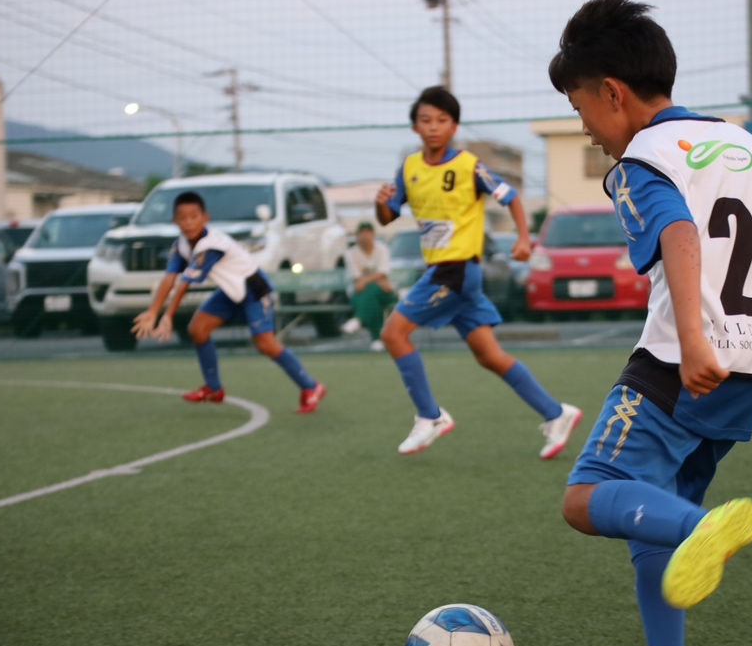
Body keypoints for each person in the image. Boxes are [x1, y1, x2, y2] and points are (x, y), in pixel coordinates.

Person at [549, 0, 752, 646]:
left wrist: (690, 337)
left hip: (681, 361)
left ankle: (702, 533)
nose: (586, 129)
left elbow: (680, 234)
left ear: (613, 93)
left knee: (586, 499)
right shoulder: (746, 144)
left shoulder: (638, 163)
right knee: (654, 505)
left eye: (582, 109)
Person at [374, 86, 582, 458]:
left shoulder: (469, 166)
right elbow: (388, 215)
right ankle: (557, 413)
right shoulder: (409, 168)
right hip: (446, 273)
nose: (434, 127)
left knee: (393, 334)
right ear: (414, 128)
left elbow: (511, 197)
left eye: (442, 120)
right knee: (489, 356)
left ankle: (429, 416)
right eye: (426, 121)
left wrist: (522, 238)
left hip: (456, 272)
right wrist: (381, 206)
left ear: (454, 126)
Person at [133, 191, 326, 413]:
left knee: (265, 344)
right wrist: (153, 312)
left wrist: (166, 315)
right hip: (231, 291)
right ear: (175, 221)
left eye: (193, 216)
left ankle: (311, 387)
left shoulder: (210, 245)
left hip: (254, 289)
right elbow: (169, 278)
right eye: (182, 218)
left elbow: (184, 283)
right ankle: (214, 389)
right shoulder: (181, 245)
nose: (188, 223)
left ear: (205, 218)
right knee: (198, 330)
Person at [340, 221, 395, 352]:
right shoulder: (351, 253)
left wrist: (367, 280)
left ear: (373, 235)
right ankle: (377, 340)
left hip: (384, 292)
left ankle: (359, 320)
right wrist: (376, 280)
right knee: (372, 298)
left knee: (371, 291)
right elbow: (357, 278)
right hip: (361, 293)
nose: (365, 237)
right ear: (357, 236)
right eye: (362, 234)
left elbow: (383, 273)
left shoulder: (382, 249)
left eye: (368, 233)